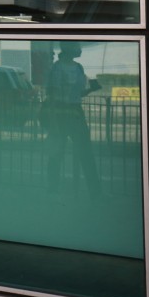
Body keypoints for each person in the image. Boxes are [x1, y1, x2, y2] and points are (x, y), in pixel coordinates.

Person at [42, 42, 102, 199]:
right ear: (70, 49)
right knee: (57, 153)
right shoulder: (57, 68)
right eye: (77, 46)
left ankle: (94, 191)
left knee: (85, 153)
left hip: (75, 113)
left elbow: (77, 94)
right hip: (62, 115)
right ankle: (53, 188)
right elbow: (52, 97)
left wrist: (90, 90)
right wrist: (53, 123)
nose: (80, 49)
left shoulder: (78, 67)